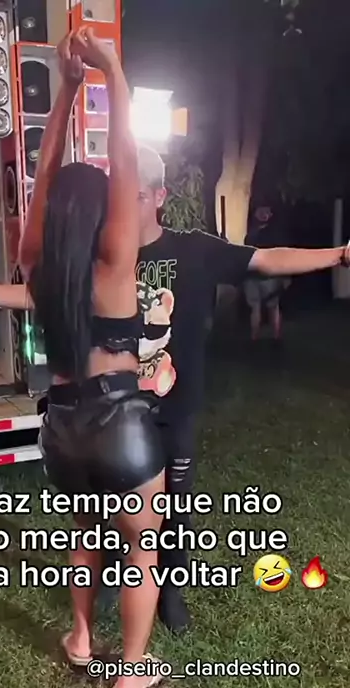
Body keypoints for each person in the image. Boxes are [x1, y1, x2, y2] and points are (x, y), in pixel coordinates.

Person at [0, 29, 167, 688]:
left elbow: (42, 180)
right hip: (121, 423)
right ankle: (131, 671)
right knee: (141, 550)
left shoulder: (39, 267)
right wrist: (111, 71)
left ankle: (80, 637)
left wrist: (69, 90)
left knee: (86, 534)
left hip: (62, 429)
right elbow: (124, 160)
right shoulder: (115, 259)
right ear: (102, 212)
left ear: (55, 217)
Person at [123, 145, 350, 634]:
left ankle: (171, 590)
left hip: (174, 404)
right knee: (117, 504)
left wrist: (339, 254)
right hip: (117, 407)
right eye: (118, 193)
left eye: (136, 194)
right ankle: (119, 580)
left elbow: (268, 259)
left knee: (174, 505)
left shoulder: (194, 250)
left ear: (159, 196)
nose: (124, 204)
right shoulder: (104, 253)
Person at [243, 205, 291, 341]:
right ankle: (265, 338)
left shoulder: (255, 234)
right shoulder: (257, 234)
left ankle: (266, 338)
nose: (264, 214)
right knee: (267, 307)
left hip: (264, 276)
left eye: (266, 212)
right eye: (261, 211)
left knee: (268, 307)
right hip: (261, 276)